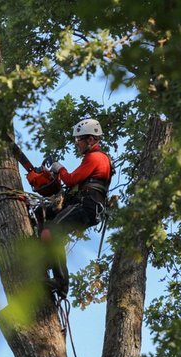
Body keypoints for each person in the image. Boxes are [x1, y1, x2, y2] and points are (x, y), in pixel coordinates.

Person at [39, 118, 113, 297]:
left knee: (53, 230)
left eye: (79, 140)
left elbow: (71, 179)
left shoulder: (96, 157)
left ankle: (61, 281)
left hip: (87, 205)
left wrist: (59, 168)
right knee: (45, 214)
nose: (77, 144)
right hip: (85, 204)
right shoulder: (94, 158)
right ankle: (46, 258)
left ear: (90, 139)